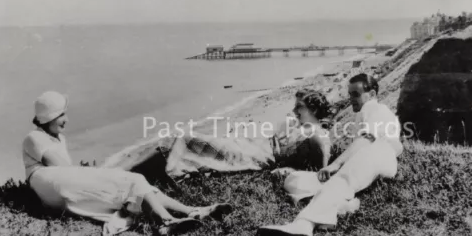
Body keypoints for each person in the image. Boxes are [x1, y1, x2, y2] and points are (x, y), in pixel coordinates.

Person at [23, 91, 231, 236]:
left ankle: (191, 211)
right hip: (52, 184)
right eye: (61, 115)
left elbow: (68, 172)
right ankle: (165, 223)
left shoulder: (56, 138)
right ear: (47, 117)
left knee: (137, 185)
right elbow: (63, 169)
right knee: (135, 180)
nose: (66, 119)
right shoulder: (34, 137)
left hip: (58, 187)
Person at [257, 74, 403, 236]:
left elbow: (367, 139)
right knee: (294, 180)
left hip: (376, 154)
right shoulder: (364, 114)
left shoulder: (375, 108)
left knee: (341, 180)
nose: (351, 99)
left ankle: (304, 224)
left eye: (356, 94)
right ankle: (342, 206)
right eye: (350, 94)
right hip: (369, 160)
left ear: (372, 95)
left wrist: (335, 165)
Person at [102, 89, 332, 180]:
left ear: (312, 109)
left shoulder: (316, 133)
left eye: (299, 107)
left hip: (253, 155)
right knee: (171, 141)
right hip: (251, 145)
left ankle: (119, 175)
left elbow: (323, 156)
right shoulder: (302, 127)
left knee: (184, 138)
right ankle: (119, 173)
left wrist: (322, 170)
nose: (294, 110)